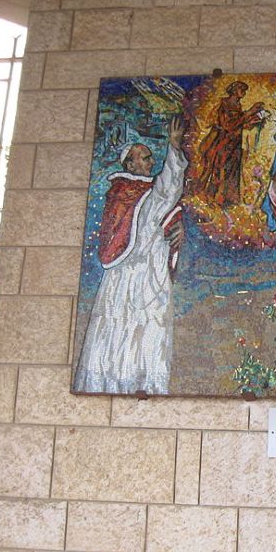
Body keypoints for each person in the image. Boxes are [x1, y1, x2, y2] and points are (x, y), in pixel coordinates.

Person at [73, 118, 188, 395]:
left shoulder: (146, 192)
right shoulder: (123, 193)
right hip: (126, 275)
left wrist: (176, 228)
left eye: (150, 157)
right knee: (118, 330)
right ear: (130, 164)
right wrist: (173, 148)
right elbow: (163, 197)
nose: (151, 162)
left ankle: (147, 385)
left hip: (151, 272)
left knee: (150, 330)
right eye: (145, 158)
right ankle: (111, 385)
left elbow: (162, 209)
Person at [195, 81, 266, 207]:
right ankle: (213, 198)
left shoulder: (238, 105)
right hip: (224, 142)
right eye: (241, 90)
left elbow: (240, 123)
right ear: (234, 90)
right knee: (220, 169)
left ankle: (226, 200)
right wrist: (249, 113)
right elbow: (228, 125)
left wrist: (255, 118)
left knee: (232, 171)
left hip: (234, 143)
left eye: (244, 91)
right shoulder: (224, 104)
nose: (244, 93)